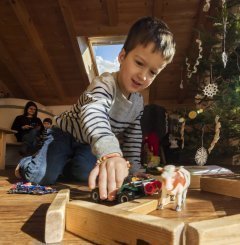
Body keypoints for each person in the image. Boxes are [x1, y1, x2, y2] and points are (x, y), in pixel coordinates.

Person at [15, 16, 176, 202]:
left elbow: (133, 135)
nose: (143, 75)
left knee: (85, 173)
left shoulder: (138, 103)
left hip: (89, 144)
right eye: (139, 63)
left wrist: (135, 169)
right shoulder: (104, 84)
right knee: (42, 176)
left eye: (153, 72)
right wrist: (111, 153)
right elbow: (93, 114)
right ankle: (27, 163)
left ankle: (65, 162)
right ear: (122, 56)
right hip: (64, 134)